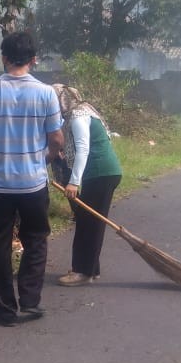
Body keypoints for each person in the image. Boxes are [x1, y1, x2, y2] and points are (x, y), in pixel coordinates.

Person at [0, 32, 64, 326]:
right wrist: (43, 158)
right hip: (33, 184)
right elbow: (57, 138)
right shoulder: (46, 93)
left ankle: (5, 310)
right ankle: (30, 304)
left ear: (3, 57)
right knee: (36, 241)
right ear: (34, 60)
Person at [51, 84, 123, 287]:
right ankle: (90, 269)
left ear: (62, 99)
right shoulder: (83, 111)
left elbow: (83, 148)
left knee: (88, 223)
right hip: (103, 173)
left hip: (101, 172)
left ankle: (83, 272)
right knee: (89, 221)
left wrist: (73, 182)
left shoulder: (78, 116)